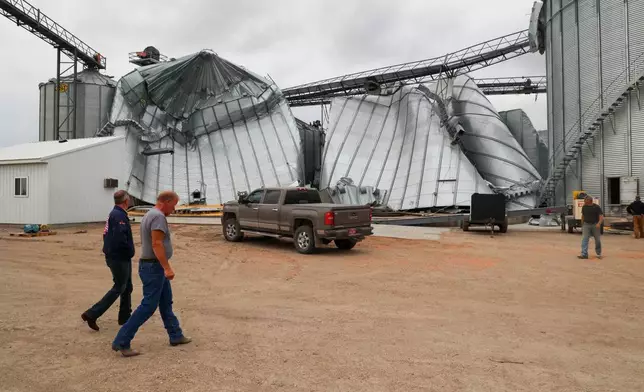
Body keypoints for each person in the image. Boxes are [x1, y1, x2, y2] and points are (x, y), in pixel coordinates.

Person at [112, 191, 191, 357]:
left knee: (165, 302)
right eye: (174, 204)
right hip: (154, 267)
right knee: (148, 306)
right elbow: (156, 244)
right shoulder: (158, 217)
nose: (175, 208)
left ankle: (175, 335)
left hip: (153, 267)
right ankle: (122, 341)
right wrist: (167, 267)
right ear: (166, 201)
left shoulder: (150, 214)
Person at [81, 190, 135, 331]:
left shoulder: (116, 214)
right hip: (119, 257)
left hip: (120, 256)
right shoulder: (118, 216)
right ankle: (92, 313)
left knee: (127, 287)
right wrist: (128, 251)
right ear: (126, 201)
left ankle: (125, 317)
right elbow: (119, 239)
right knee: (119, 287)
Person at [578, 195, 604, 260]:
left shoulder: (596, 207)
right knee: (585, 239)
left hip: (595, 225)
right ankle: (584, 254)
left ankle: (598, 253)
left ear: (589, 201)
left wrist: (599, 223)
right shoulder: (584, 207)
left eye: (585, 200)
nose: (584, 202)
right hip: (586, 224)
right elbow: (583, 216)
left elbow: (601, 216)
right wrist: (582, 224)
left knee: (597, 240)